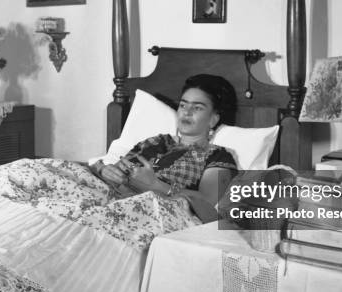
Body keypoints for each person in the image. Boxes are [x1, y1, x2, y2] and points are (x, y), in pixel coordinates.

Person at [92, 74, 238, 222]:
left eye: (197, 108)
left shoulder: (217, 156)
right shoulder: (156, 141)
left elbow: (206, 202)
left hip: (149, 213)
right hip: (109, 197)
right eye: (183, 105)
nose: (186, 112)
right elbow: (117, 170)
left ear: (214, 119)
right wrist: (104, 170)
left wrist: (155, 184)